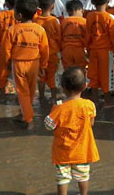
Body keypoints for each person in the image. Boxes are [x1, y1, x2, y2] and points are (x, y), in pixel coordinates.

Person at [44, 66, 99, 195]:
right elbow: (91, 123)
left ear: (63, 87)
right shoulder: (89, 105)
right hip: (82, 149)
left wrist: (53, 109)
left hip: (63, 151)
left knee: (63, 178)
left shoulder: (59, 108)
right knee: (83, 176)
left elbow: (48, 126)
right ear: (84, 86)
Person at [0, 0, 49, 130]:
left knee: (22, 92)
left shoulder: (12, 30)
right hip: (35, 63)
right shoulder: (40, 30)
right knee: (31, 91)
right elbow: (45, 50)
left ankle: (28, 119)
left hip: (19, 65)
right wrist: (43, 66)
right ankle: (24, 113)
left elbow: (5, 52)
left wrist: (5, 67)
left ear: (19, 15)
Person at [85, 0, 114, 106]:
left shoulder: (89, 16)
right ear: (108, 0)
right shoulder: (110, 18)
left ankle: (94, 101)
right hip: (105, 51)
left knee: (93, 75)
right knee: (106, 76)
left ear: (92, 1)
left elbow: (87, 34)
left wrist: (87, 48)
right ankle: (108, 101)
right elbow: (113, 36)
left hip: (93, 49)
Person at [35, 0, 62, 102]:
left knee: (41, 75)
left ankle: (41, 96)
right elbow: (59, 37)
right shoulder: (54, 21)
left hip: (39, 53)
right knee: (53, 75)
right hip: (52, 53)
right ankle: (54, 96)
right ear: (53, 6)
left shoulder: (36, 21)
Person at [0, 0, 22, 95]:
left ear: (6, 3)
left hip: (3, 47)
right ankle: (19, 94)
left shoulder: (0, 15)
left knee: (2, 71)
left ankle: (2, 93)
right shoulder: (21, 15)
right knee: (18, 72)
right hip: (19, 47)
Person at [61, 0, 87, 71]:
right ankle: (80, 81)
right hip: (79, 49)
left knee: (68, 70)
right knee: (80, 70)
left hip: (66, 50)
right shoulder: (84, 22)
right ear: (80, 10)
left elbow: (60, 36)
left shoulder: (64, 22)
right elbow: (87, 37)